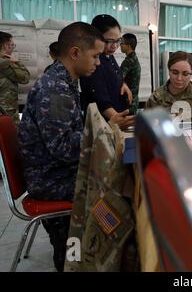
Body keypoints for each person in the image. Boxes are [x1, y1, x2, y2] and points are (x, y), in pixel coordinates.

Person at [18, 22, 133, 271]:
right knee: (124, 190)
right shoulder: (55, 89)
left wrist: (107, 131)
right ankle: (88, 257)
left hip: (57, 173)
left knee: (125, 180)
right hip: (52, 181)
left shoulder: (65, 82)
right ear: (75, 53)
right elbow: (63, 148)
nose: (99, 63)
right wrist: (109, 130)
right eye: (94, 56)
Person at [80, 14, 134, 126]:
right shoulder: (93, 61)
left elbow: (115, 76)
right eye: (109, 41)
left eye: (118, 41)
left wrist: (123, 84)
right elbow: (99, 99)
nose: (114, 46)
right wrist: (118, 119)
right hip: (102, 124)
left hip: (115, 120)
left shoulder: (109, 56)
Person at [145, 51, 192, 121]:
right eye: (175, 73)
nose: (179, 78)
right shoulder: (157, 98)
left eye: (185, 74)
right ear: (169, 71)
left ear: (191, 74)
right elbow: (146, 124)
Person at [0, 31, 30, 127]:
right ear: (5, 46)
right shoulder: (4, 63)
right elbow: (25, 78)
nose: (13, 47)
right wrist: (17, 62)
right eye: (12, 45)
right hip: (6, 110)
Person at [120, 33, 141, 115]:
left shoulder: (128, 61)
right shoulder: (134, 58)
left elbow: (119, 79)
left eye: (122, 43)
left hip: (128, 102)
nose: (120, 45)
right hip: (133, 102)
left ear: (128, 46)